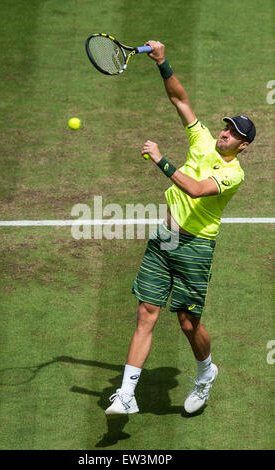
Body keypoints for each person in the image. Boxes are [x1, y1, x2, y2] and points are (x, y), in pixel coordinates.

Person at [105, 41, 256, 415]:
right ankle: (126, 395)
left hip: (195, 248)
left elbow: (197, 189)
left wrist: (161, 160)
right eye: (226, 128)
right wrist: (162, 62)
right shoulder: (203, 139)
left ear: (244, 146)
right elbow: (181, 101)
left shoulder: (233, 174)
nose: (225, 134)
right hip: (165, 238)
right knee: (146, 313)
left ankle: (206, 373)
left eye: (234, 134)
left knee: (188, 323)